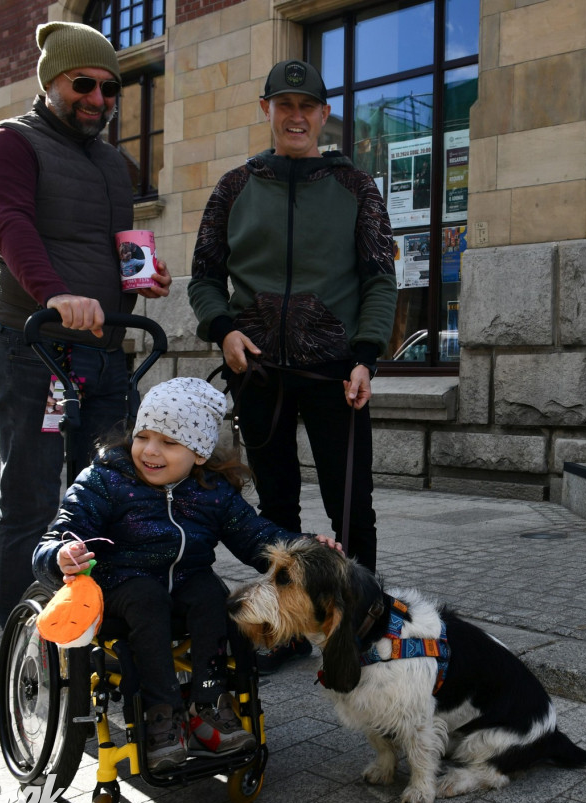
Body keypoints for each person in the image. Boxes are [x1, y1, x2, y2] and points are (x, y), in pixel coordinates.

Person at [188, 59, 398, 673]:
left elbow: (380, 280)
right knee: (275, 509)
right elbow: (203, 277)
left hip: (335, 374)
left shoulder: (356, 187)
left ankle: (359, 627)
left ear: (324, 114)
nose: (296, 115)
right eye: (284, 104)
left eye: (307, 105)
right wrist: (223, 328)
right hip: (258, 376)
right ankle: (282, 630)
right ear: (267, 111)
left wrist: (365, 358)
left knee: (351, 508)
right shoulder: (234, 186)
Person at [33, 377, 340, 771]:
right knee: (146, 596)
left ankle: (208, 703)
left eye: (169, 442)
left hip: (184, 587)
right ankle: (162, 712)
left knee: (216, 595)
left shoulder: (212, 491)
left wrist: (309, 547)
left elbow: (259, 538)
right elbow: (58, 535)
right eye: (143, 436)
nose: (150, 451)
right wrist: (61, 555)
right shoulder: (105, 480)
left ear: (198, 453)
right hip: (120, 592)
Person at [0, 21, 173, 628]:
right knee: (33, 500)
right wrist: (56, 294)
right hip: (34, 348)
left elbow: (115, 243)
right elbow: (12, 229)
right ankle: (22, 635)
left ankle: (98, 621)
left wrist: (144, 276)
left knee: (112, 495)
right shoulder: (10, 142)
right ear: (51, 81)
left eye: (110, 89)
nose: (98, 99)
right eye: (83, 84)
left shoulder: (115, 164)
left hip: (106, 353)